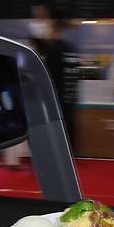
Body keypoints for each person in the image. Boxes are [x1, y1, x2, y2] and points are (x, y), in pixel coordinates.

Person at [43, 16, 80, 151]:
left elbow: (49, 74)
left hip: (57, 95)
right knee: (69, 124)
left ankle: (60, 152)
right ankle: (71, 152)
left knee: (57, 126)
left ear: (53, 29)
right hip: (70, 96)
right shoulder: (71, 48)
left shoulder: (52, 49)